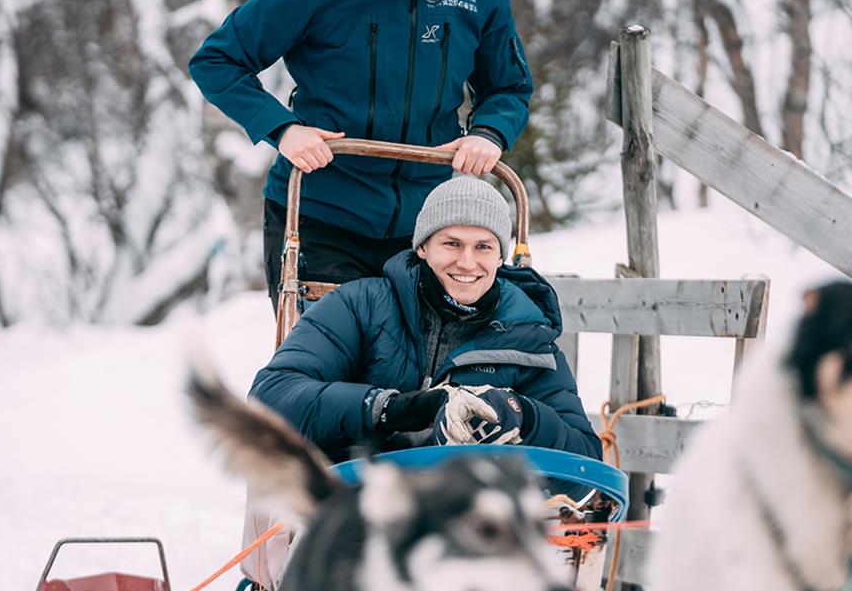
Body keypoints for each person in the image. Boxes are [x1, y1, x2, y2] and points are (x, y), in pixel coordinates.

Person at [188, 0, 533, 307]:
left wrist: (489, 133)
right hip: (322, 214)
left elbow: (509, 87)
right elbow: (217, 61)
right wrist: (283, 129)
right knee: (329, 347)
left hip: (426, 223)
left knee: (417, 350)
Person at [249, 177, 601, 463]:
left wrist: (524, 415)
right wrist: (391, 409)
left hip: (467, 510)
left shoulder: (527, 336)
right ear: (422, 247)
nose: (467, 262)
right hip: (357, 496)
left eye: (483, 246)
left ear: (499, 257)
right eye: (451, 244)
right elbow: (270, 398)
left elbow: (585, 456)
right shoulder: (360, 305)